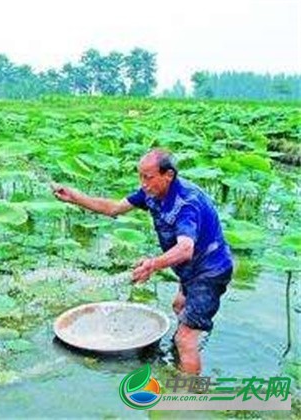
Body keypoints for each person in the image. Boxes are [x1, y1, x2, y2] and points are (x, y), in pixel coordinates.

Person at [52, 149, 233, 374]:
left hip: (209, 271)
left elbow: (185, 249)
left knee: (186, 339)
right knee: (179, 306)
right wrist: (75, 197)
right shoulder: (152, 193)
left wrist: (153, 264)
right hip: (189, 270)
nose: (143, 183)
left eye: (148, 177)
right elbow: (114, 208)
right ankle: (182, 355)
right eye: (140, 176)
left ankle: (190, 398)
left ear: (169, 175)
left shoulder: (186, 204)